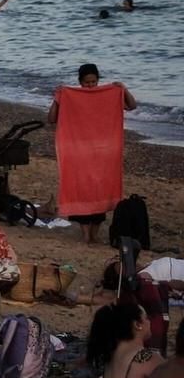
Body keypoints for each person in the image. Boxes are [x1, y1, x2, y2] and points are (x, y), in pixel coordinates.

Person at [47, 63, 139, 245]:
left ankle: (95, 234)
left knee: (99, 188)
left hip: (101, 150)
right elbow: (51, 119)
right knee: (79, 187)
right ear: (80, 82)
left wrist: (123, 89)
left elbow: (132, 105)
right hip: (77, 149)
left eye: (94, 82)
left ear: (98, 80)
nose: (90, 86)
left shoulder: (105, 96)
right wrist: (58, 99)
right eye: (87, 82)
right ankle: (86, 234)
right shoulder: (71, 96)